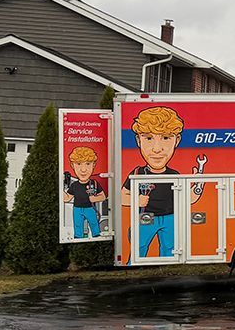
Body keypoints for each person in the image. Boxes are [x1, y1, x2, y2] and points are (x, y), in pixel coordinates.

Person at [121, 105, 200, 258]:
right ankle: (134, 267)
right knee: (139, 247)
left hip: (170, 216)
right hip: (146, 217)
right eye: (148, 138)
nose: (157, 149)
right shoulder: (137, 172)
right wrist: (136, 200)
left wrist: (198, 184)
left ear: (177, 141)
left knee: (169, 249)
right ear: (138, 140)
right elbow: (122, 196)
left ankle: (166, 268)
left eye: (166, 138)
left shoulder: (174, 174)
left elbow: (187, 199)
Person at [62, 146, 106, 238]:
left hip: (90, 208)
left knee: (94, 226)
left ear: (93, 165)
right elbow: (67, 198)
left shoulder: (94, 183)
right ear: (72, 165)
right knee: (78, 228)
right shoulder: (74, 185)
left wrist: (95, 198)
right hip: (77, 209)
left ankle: (96, 237)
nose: (83, 169)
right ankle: (79, 238)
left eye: (88, 164)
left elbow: (103, 197)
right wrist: (61, 189)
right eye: (78, 164)